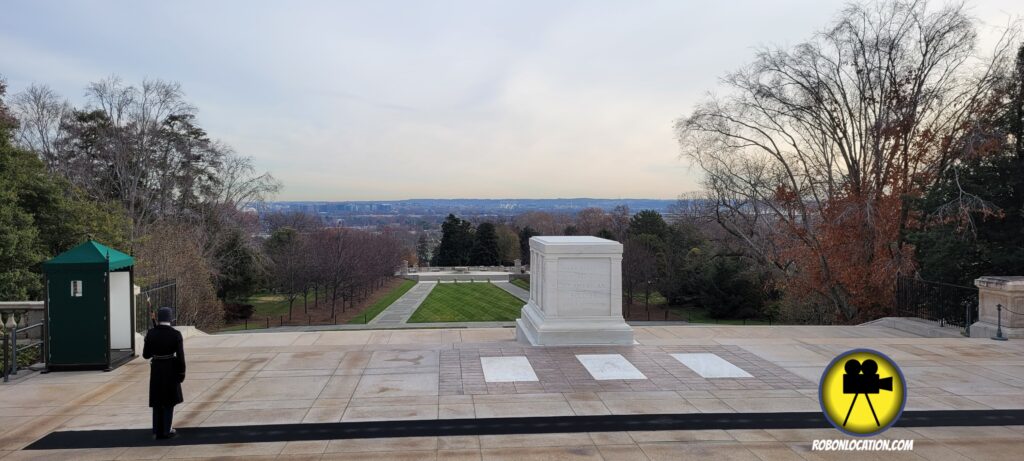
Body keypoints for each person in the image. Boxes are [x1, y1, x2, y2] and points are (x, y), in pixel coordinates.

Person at [142, 307, 186, 440]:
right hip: (170, 368)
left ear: (159, 319)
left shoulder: (151, 333)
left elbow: (146, 355)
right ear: (170, 318)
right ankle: (167, 429)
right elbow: (181, 356)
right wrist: (182, 372)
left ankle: (157, 430)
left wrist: (149, 340)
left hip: (156, 368)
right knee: (169, 400)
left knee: (157, 400)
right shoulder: (176, 334)